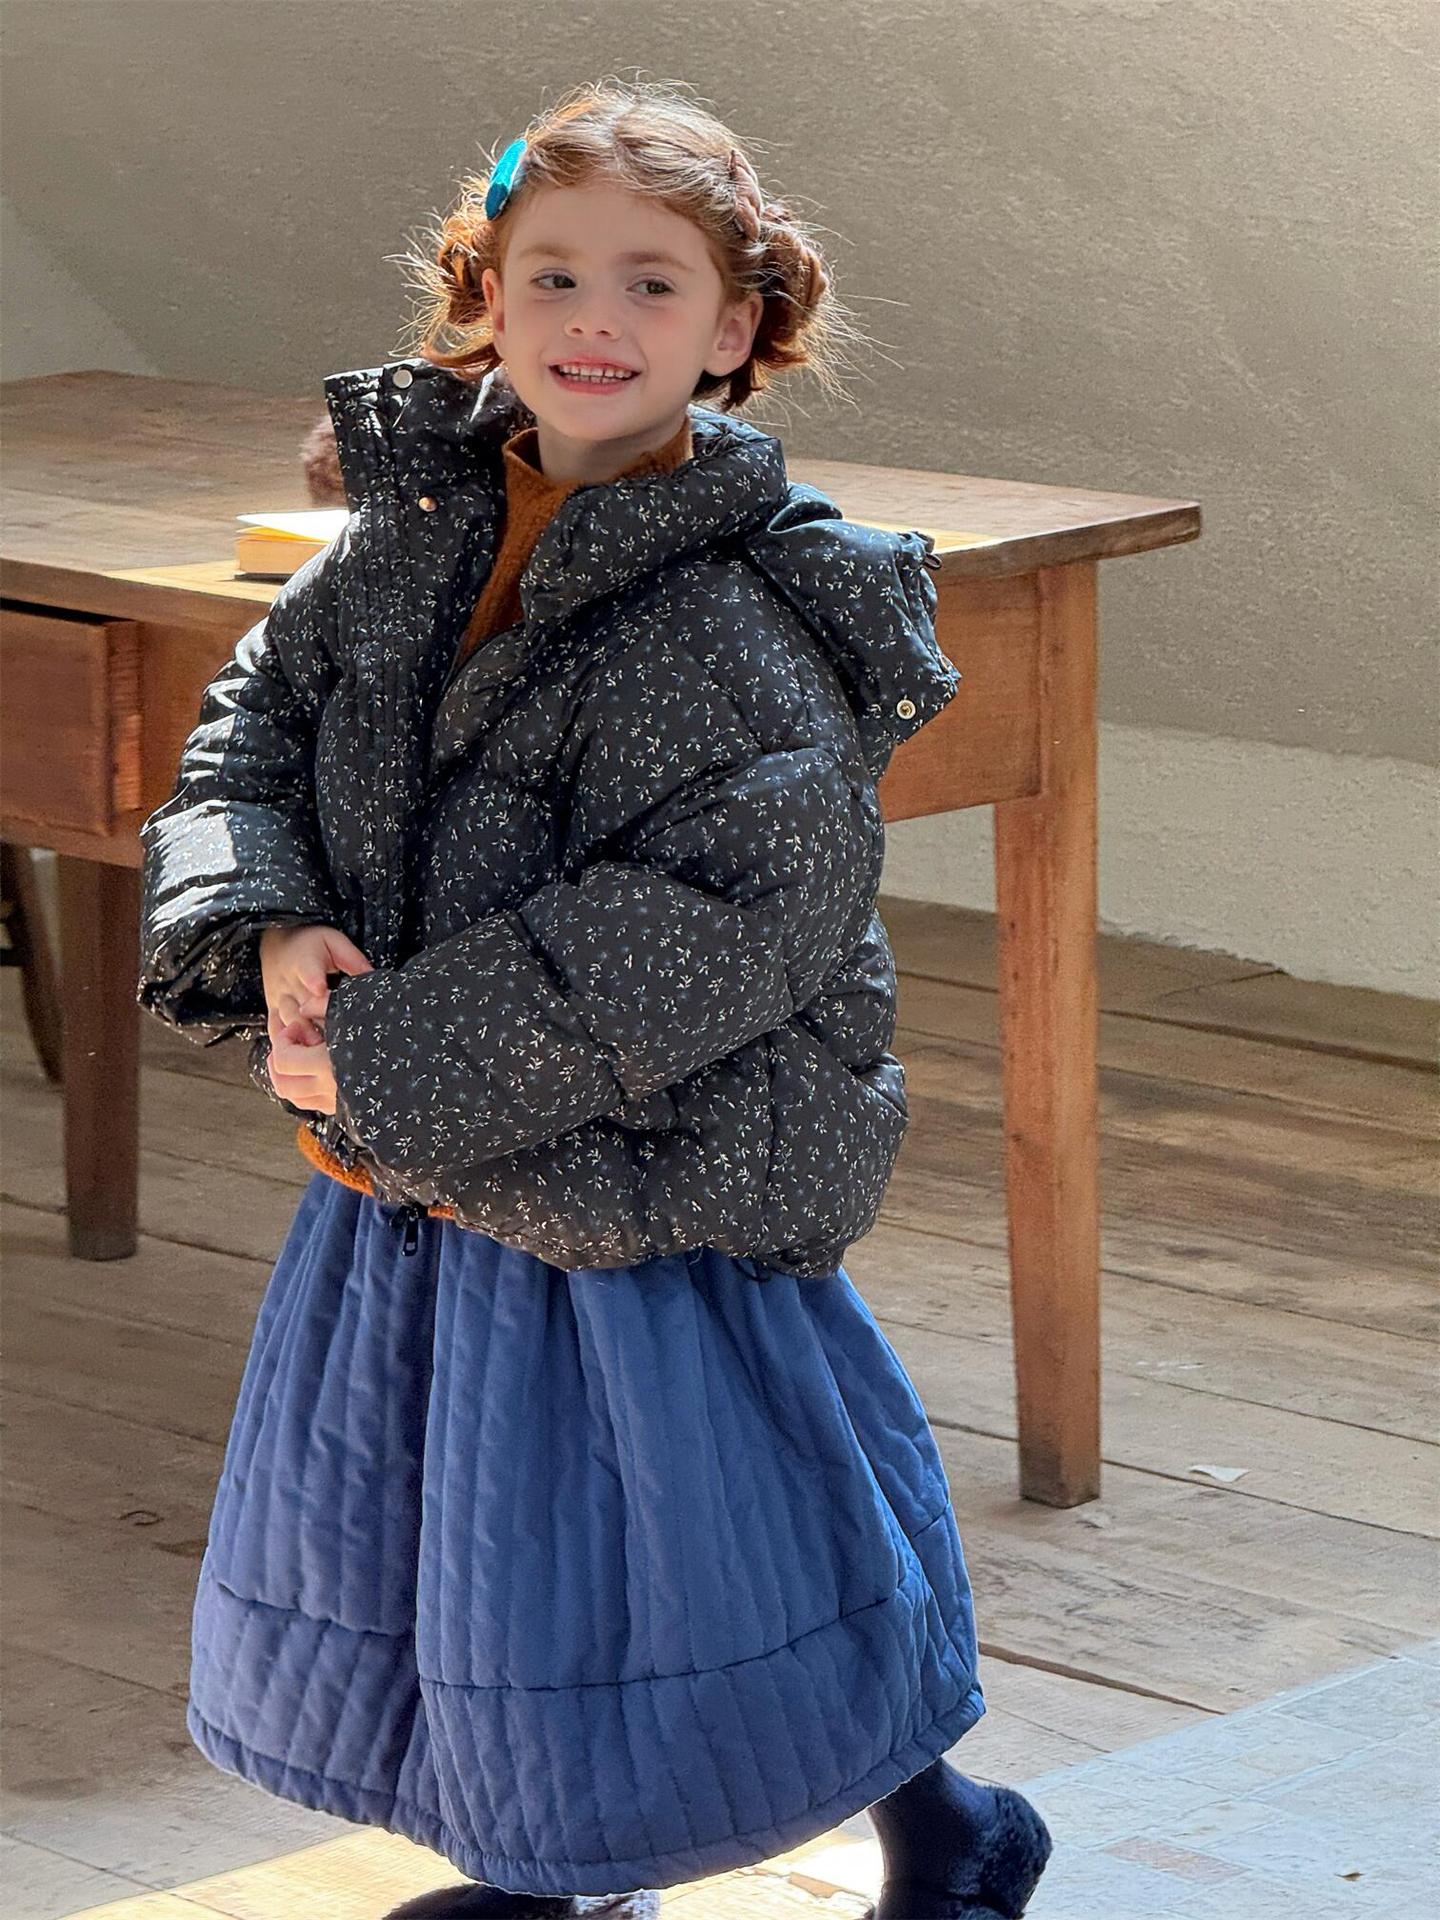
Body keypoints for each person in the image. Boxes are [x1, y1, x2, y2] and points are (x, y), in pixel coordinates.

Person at [135, 77, 1052, 1920]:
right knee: (484, 1544)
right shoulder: (409, 541)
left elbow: (713, 921)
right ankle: (554, 1863)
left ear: (735, 330)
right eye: (551, 276)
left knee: (724, 1540)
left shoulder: (745, 610)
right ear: (485, 300)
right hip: (430, 1152)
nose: (594, 321)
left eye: (651, 283)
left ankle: (949, 1828)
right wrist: (276, 921)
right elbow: (255, 730)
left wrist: (377, 1057)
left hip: (650, 1166)